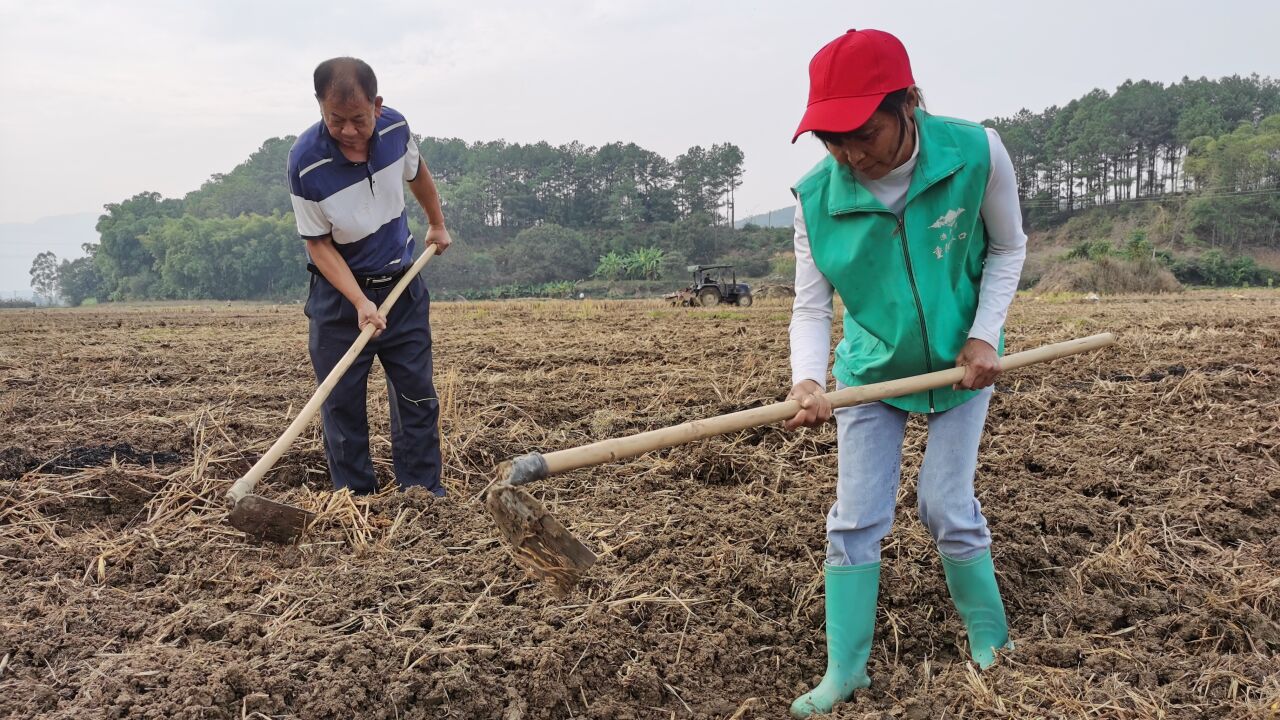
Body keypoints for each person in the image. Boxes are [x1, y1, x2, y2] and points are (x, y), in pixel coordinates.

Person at [783, 29, 1027, 717]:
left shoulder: (976, 153)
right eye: (831, 139)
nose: (850, 153)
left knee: (946, 506)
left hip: (961, 363)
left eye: (863, 133)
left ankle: (992, 642)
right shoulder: (815, 198)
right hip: (870, 370)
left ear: (907, 104)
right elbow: (810, 304)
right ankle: (845, 672)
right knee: (854, 520)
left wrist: (982, 338)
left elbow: (1008, 249)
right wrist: (808, 381)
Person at [287, 57, 452, 496]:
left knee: (417, 397)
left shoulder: (396, 130)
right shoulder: (305, 162)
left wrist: (435, 222)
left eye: (358, 119)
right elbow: (318, 244)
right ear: (320, 106)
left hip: (401, 286)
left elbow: (417, 173)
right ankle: (355, 499)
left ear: (376, 106)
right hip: (341, 300)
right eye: (334, 119)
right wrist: (360, 301)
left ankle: (421, 495)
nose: (347, 131)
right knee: (340, 406)